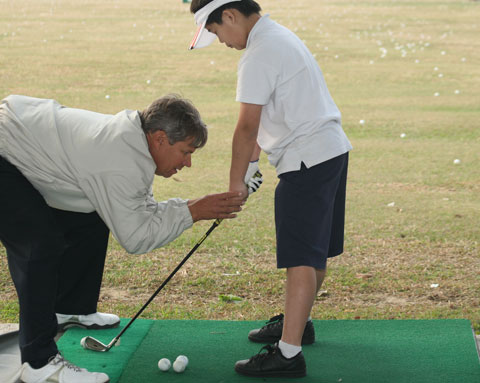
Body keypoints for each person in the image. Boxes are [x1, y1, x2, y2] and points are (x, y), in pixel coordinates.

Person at [0, 94, 244, 383]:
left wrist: (190, 208)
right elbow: (136, 236)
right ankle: (38, 364)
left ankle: (70, 309)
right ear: (160, 139)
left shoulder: (132, 144)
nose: (188, 163)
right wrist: (193, 211)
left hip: (21, 137)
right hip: (6, 149)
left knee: (93, 211)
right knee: (39, 245)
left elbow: (138, 210)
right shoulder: (119, 160)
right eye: (186, 151)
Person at [189, 0, 353, 378]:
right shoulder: (279, 36)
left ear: (229, 16)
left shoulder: (258, 54)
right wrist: (250, 167)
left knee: (301, 257)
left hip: (308, 160)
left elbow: (247, 127)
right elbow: (273, 114)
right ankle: (299, 323)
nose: (223, 42)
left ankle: (289, 353)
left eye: (216, 33)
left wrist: (234, 189)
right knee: (313, 252)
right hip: (329, 151)